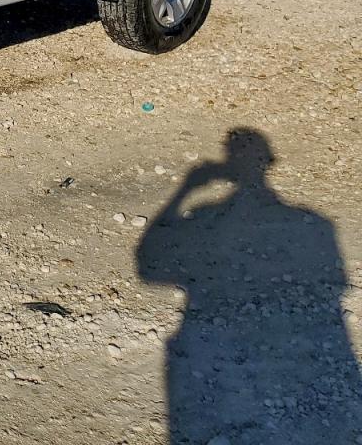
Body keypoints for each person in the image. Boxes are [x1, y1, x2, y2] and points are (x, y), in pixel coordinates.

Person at [137, 128, 362, 443]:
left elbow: (148, 266)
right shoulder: (316, 224)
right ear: (269, 163)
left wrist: (184, 190)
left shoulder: (204, 218)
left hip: (216, 359)